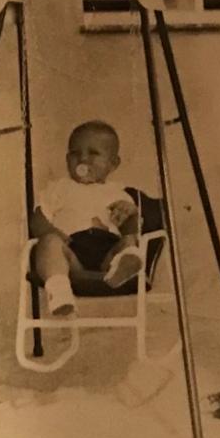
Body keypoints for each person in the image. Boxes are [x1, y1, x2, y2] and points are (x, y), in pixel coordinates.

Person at [30, 120, 142, 316]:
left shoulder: (119, 194)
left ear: (113, 164)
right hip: (71, 252)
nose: (82, 159)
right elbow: (38, 219)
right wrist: (53, 234)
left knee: (128, 241)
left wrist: (131, 213)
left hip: (107, 253)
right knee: (48, 243)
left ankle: (122, 267)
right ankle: (59, 290)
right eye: (75, 153)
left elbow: (131, 230)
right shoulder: (59, 188)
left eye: (93, 153)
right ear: (67, 159)